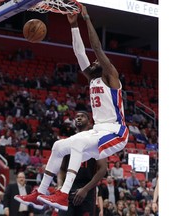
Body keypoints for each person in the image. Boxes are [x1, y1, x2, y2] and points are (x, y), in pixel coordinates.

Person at [14, 4, 128, 211]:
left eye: (97, 61)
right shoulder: (93, 78)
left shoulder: (111, 77)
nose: (93, 62)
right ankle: (41, 192)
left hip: (116, 131)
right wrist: (73, 24)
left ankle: (63, 194)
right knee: (59, 146)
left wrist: (86, 18)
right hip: (98, 130)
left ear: (106, 65)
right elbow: (79, 52)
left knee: (78, 144)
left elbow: (96, 49)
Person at [57, 111, 107, 216]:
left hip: (87, 188)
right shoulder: (68, 142)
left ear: (89, 123)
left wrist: (85, 189)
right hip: (69, 187)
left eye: (82, 116)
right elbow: (61, 169)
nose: (79, 118)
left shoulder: (96, 142)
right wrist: (60, 185)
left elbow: (102, 169)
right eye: (77, 116)